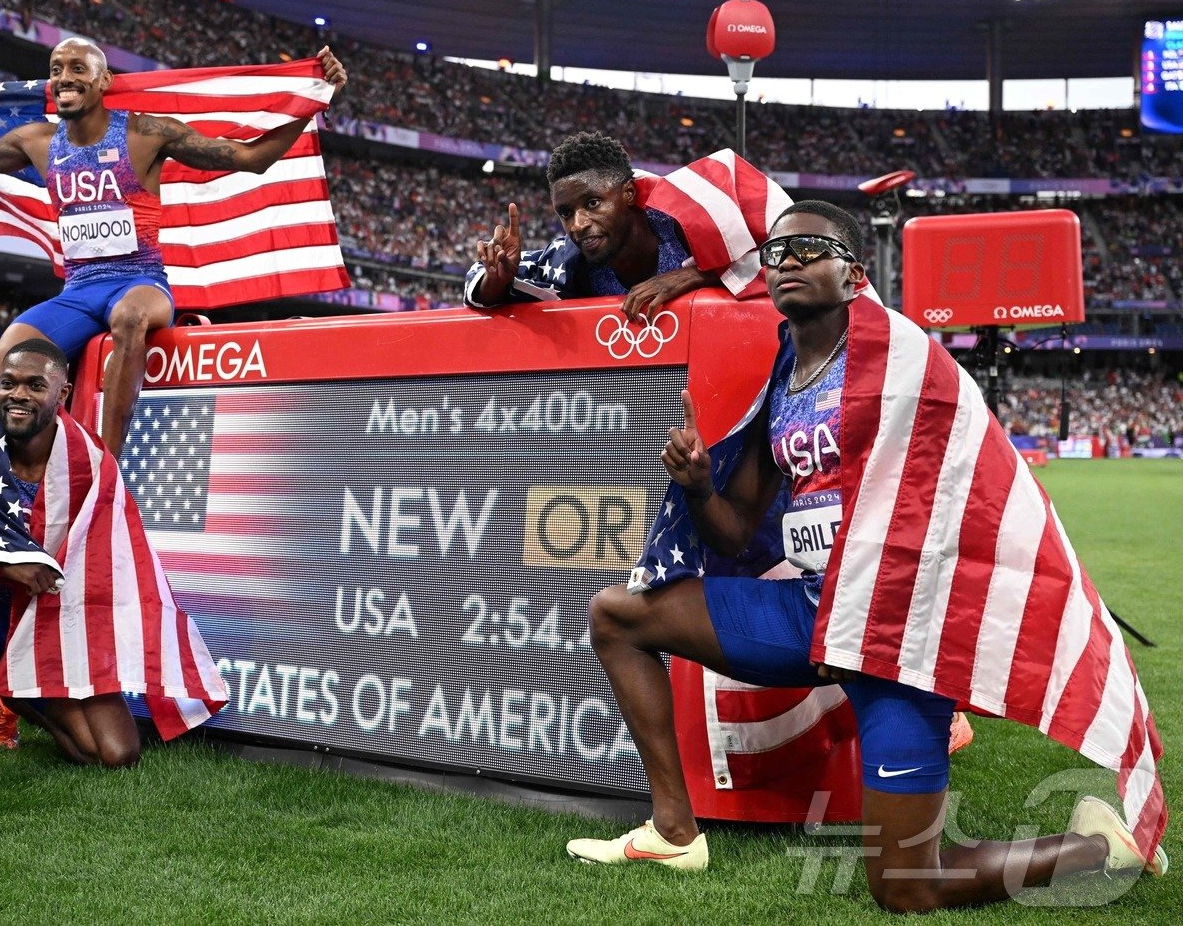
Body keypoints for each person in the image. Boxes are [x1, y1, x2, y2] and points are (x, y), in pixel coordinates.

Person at [565, 200, 1166, 911]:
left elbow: (937, 514)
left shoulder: (908, 359)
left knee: (906, 886)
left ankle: (1101, 842)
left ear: (853, 274)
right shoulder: (785, 376)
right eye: (774, 256)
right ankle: (672, 828)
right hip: (813, 613)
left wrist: (858, 619)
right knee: (617, 615)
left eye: (805, 249)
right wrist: (698, 486)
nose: (784, 263)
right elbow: (732, 533)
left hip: (898, 639)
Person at [0, 37, 348, 457]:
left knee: (129, 320)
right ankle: (40, 463)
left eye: (76, 68)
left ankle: (106, 464)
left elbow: (250, 158)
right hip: (78, 291)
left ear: (104, 80)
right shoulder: (39, 142)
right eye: (56, 70)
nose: (64, 77)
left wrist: (314, 100)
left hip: (140, 281)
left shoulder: (144, 133)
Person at [0, 339, 226, 783]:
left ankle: (8, 691)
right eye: (8, 383)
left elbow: (112, 564)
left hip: (51, 621)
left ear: (62, 392)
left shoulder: (91, 464)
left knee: (114, 754)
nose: (18, 395)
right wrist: (5, 564)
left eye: (35, 385)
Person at [464, 131, 723, 319]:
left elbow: (758, 260)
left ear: (629, 193)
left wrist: (694, 276)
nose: (577, 225)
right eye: (565, 213)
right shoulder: (571, 260)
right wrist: (497, 279)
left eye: (592, 203)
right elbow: (479, 279)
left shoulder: (684, 227)